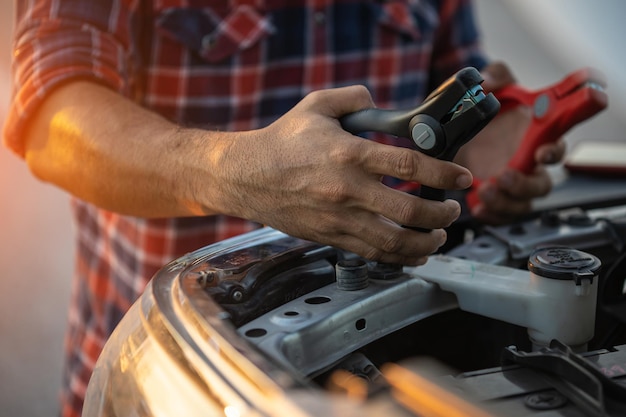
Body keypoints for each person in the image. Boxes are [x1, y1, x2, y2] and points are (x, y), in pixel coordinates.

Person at [3, 1, 564, 416]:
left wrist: (480, 159)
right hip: (160, 381)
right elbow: (51, 123)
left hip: (377, 376)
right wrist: (237, 172)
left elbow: (450, 96)